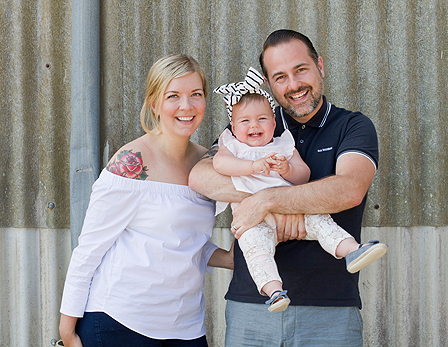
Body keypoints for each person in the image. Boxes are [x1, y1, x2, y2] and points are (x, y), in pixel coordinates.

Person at [189, 30, 382, 346]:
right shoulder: (251, 126)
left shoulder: (353, 126)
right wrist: (267, 203)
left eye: (301, 70)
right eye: (280, 77)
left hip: (329, 309)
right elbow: (201, 177)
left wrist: (270, 200)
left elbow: (349, 189)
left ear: (319, 65)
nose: (293, 85)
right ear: (268, 83)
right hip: (252, 305)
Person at [59, 54, 234, 347]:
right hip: (120, 321)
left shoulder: (207, 164)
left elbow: (186, 242)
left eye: (196, 94)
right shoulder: (132, 162)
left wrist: (230, 259)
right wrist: (67, 330)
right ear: (154, 103)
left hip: (186, 325)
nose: (186, 106)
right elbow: (89, 249)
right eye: (173, 96)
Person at [212, 67, 387, 314]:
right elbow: (217, 165)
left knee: (323, 223)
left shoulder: (283, 143)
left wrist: (285, 169)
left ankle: (353, 251)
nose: (254, 125)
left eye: (262, 119)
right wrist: (252, 166)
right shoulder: (232, 144)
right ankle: (274, 291)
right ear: (233, 125)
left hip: (299, 217)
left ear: (274, 121)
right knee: (255, 249)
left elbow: (303, 174)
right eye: (245, 121)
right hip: (254, 222)